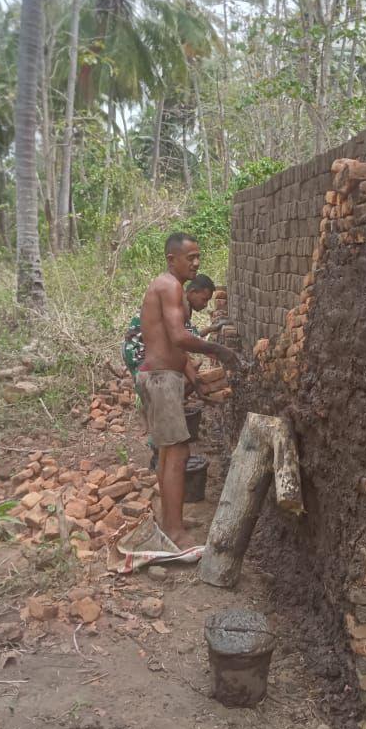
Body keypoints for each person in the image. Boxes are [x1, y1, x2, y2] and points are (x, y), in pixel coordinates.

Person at [138, 234, 239, 548]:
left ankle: (173, 520)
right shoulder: (169, 286)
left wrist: (195, 380)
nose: (196, 262)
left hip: (162, 376)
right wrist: (220, 351)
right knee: (177, 452)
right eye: (189, 257)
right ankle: (173, 531)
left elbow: (174, 348)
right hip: (160, 379)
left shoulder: (174, 290)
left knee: (170, 452)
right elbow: (180, 338)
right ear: (172, 259)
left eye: (198, 256)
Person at [123, 275, 216, 468]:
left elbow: (184, 346)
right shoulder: (177, 303)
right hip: (139, 352)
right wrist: (218, 350)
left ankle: (160, 440)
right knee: (157, 392)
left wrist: (195, 379)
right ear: (192, 292)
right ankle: (156, 446)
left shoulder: (182, 305)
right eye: (204, 299)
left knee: (176, 385)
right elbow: (187, 340)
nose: (205, 305)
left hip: (147, 352)